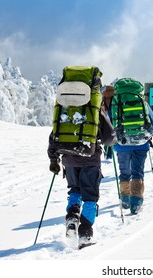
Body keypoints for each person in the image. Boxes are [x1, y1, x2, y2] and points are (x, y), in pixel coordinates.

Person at [47, 88, 116, 247]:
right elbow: (109, 137)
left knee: (74, 190)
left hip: (69, 159)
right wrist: (112, 142)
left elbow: (54, 137)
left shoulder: (65, 108)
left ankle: (72, 219)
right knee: (90, 197)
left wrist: (53, 160)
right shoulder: (94, 108)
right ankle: (85, 234)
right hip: (90, 160)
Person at [113, 83, 153, 215]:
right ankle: (136, 203)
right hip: (141, 143)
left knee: (124, 172)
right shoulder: (142, 102)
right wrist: (150, 135)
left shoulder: (117, 103)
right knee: (137, 172)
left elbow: (111, 121)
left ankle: (125, 199)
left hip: (122, 145)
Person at [101, 85, 115, 160]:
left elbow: (102, 106)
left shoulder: (104, 94)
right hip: (114, 116)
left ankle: (108, 154)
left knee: (108, 134)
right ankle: (110, 154)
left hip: (107, 117)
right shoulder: (115, 95)